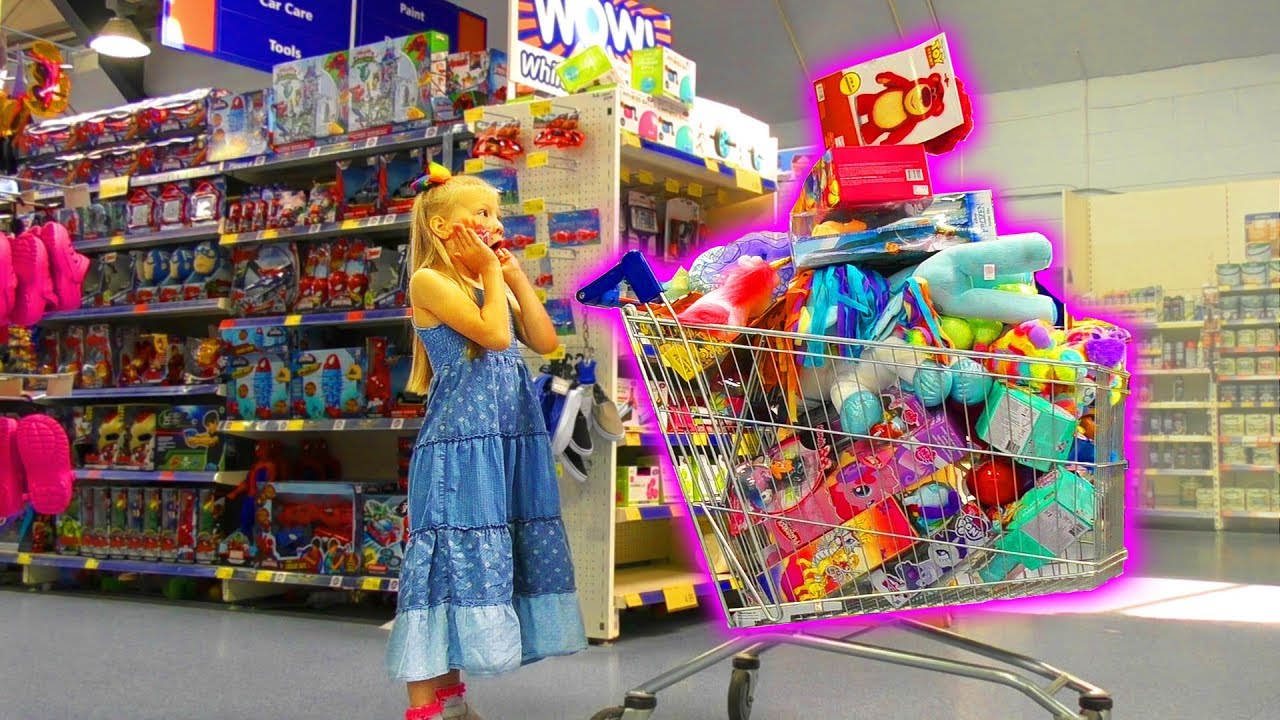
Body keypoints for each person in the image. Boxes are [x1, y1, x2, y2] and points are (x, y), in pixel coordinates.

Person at [386, 162, 588, 720]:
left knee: (476, 563)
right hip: (461, 448)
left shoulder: (485, 282)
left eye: (496, 213)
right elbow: (496, 336)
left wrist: (513, 275)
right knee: (443, 567)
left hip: (504, 444)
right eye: (482, 213)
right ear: (443, 227)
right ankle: (424, 706)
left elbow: (543, 341)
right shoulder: (430, 280)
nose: (495, 222)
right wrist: (491, 276)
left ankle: (451, 701)